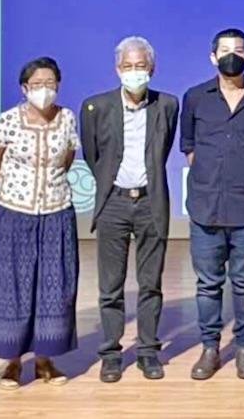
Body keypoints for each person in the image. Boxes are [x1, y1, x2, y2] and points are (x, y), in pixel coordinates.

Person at [80, 36, 179, 382]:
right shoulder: (96, 107)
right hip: (113, 203)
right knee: (111, 286)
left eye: (140, 66)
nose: (134, 72)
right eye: (127, 66)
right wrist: (114, 186)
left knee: (151, 284)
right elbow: (93, 156)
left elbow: (163, 149)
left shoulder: (167, 105)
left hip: (151, 202)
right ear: (117, 69)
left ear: (152, 69)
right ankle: (111, 353)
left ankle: (148, 351)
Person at [181, 28, 244, 381]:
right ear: (212, 57)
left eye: (238, 50)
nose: (231, 56)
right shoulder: (195, 98)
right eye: (224, 50)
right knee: (208, 284)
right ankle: (210, 348)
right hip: (204, 207)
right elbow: (189, 148)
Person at [0, 57, 80, 389]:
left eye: (50, 83)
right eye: (37, 84)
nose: (44, 90)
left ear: (58, 85)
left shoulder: (67, 119)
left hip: (56, 213)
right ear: (24, 88)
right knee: (13, 288)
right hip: (13, 215)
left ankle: (44, 360)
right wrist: (15, 192)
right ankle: (11, 363)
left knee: (54, 288)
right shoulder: (7, 120)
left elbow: (67, 160)